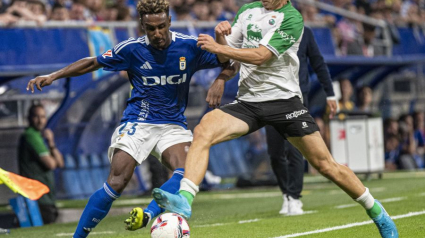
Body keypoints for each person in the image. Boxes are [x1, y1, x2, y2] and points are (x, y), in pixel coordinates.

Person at [152, 1, 399, 237]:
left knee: (326, 166)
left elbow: (260, 56)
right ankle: (185, 200)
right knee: (204, 128)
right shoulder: (248, 11)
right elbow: (230, 59)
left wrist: (218, 46)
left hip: (284, 102)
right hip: (248, 102)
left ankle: (378, 212)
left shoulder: (292, 19)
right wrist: (220, 44)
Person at [26, 0, 235, 237]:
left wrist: (220, 79)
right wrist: (54, 75)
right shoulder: (131, 49)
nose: (157, 33)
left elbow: (228, 62)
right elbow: (93, 62)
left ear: (169, 21)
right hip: (138, 121)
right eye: (150, 29)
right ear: (142, 27)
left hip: (173, 125)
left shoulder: (189, 46)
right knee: (116, 182)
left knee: (187, 171)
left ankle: (147, 214)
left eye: (161, 27)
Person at [265, 26, 337, 215]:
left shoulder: (303, 31)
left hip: (296, 96)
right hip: (270, 96)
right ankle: (286, 194)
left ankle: (295, 197)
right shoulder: (264, 28)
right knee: (275, 151)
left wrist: (330, 93)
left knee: (295, 147)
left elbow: (318, 63)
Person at [18, 104, 64, 224]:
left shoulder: (39, 136)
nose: (40, 121)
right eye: (36, 117)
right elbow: (51, 164)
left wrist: (51, 143)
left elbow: (60, 163)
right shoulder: (31, 136)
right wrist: (52, 155)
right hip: (38, 198)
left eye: (43, 117)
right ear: (29, 118)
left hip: (46, 197)